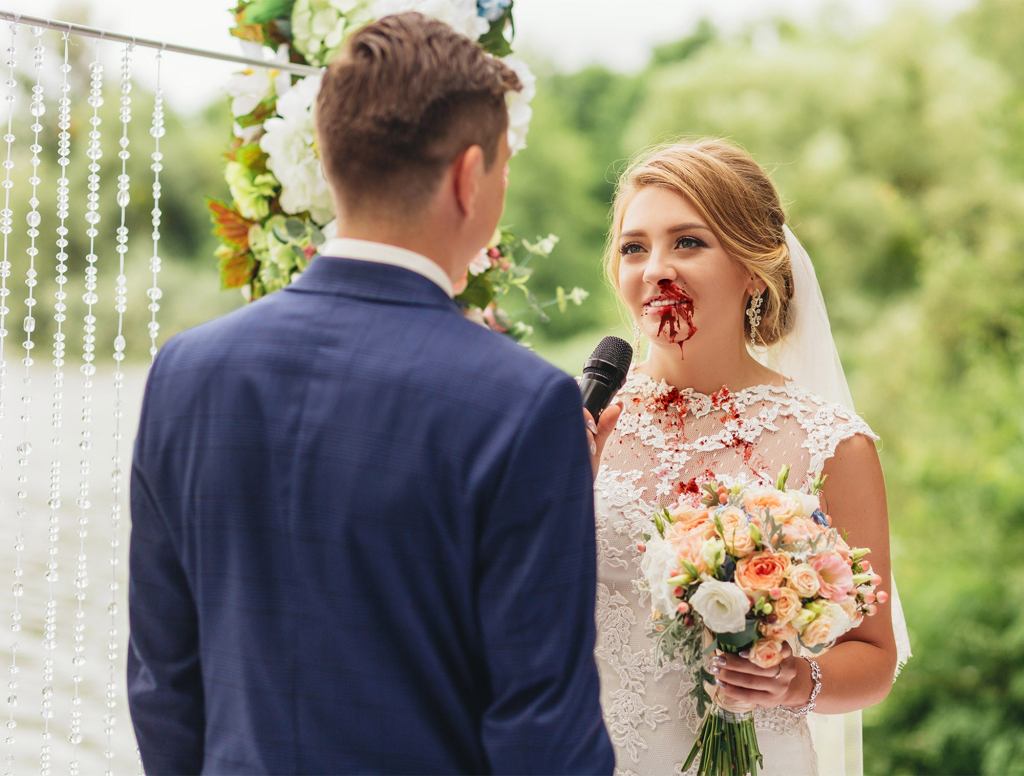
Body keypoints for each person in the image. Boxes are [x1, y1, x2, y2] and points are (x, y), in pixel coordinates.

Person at [127, 13, 615, 774]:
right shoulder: (521, 406)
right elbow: (542, 730)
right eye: (504, 172)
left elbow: (163, 682)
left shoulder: (186, 372)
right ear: (468, 176)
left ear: (326, 158)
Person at [591, 138, 910, 775]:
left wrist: (798, 681)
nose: (656, 267)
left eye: (688, 242)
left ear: (753, 268)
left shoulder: (832, 443)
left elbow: (873, 657)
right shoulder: (580, 422)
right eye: (634, 247)